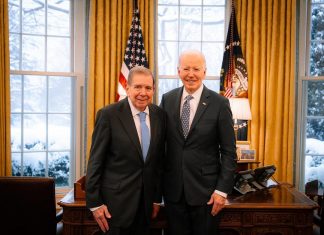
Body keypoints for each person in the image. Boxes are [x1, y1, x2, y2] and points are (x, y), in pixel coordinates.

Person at [160, 50, 237, 235]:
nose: (191, 74)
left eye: (196, 68)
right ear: (178, 71)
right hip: (173, 194)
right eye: (186, 68)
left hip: (207, 195)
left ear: (204, 72)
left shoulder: (219, 103)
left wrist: (221, 191)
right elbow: (161, 145)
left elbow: (228, 152)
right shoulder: (167, 99)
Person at [86, 66, 166, 235]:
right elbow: (95, 161)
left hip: (146, 206)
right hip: (115, 205)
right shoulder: (109, 115)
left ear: (153, 90)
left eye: (148, 88)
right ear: (127, 88)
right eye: (137, 87)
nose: (143, 92)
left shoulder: (160, 115)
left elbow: (158, 162)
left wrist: (157, 199)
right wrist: (94, 203)